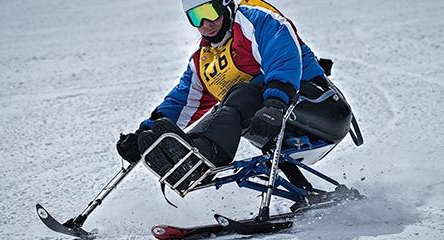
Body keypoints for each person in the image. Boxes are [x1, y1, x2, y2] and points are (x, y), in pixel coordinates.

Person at [116, 0, 352, 192]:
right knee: (221, 111)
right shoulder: (205, 60)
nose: (206, 24)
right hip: (273, 124)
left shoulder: (257, 22)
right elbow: (180, 102)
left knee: (241, 94)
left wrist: (275, 103)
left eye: (210, 12)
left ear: (226, 5)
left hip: (319, 108)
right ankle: (186, 159)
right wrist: (142, 136)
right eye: (196, 18)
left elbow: (282, 61)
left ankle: (204, 154)